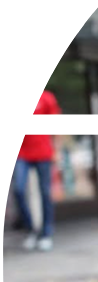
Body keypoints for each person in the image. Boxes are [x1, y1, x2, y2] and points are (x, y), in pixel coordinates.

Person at [3, 66, 63, 252]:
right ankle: (31, 230)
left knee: (45, 192)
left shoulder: (45, 98)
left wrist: (57, 149)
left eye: (16, 81)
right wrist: (8, 158)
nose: (13, 84)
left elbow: (55, 124)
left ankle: (46, 233)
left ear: (26, 80)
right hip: (21, 154)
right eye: (10, 82)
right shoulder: (12, 105)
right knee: (19, 190)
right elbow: (10, 134)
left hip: (43, 152)